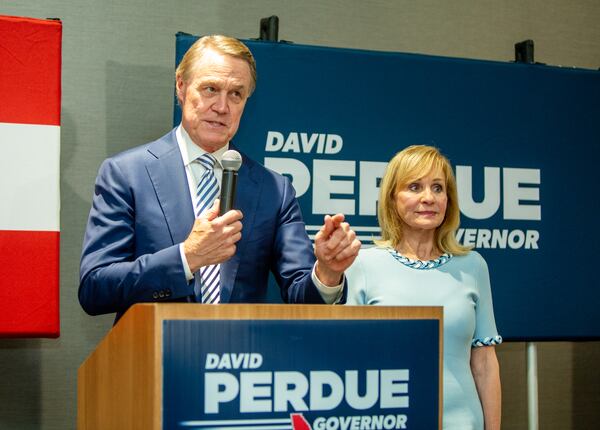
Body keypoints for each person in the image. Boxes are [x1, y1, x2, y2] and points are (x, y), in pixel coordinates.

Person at [79, 35, 361, 322]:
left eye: (236, 94)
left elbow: (303, 300)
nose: (222, 107)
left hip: (241, 360)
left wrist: (327, 273)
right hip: (152, 357)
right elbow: (95, 287)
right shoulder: (127, 173)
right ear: (181, 86)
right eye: (211, 89)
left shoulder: (273, 189)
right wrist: (187, 257)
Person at [345, 145, 502, 429]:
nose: (428, 198)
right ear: (392, 198)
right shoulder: (362, 265)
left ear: (449, 200)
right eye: (415, 187)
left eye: (438, 188)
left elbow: (485, 365)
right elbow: (350, 364)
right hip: (389, 421)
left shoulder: (474, 266)